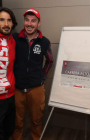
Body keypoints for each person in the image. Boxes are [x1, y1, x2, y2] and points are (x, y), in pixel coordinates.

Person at [12, 8, 53, 140]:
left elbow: (50, 60)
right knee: (17, 122)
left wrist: (42, 77)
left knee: (36, 121)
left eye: (33, 21)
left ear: (38, 23)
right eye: (27, 20)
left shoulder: (45, 42)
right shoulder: (14, 39)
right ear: (24, 21)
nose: (29, 24)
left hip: (36, 89)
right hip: (17, 89)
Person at [0, 7, 17, 140]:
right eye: (2, 20)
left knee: (9, 130)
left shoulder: (13, 41)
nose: (6, 24)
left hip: (10, 96)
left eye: (9, 20)